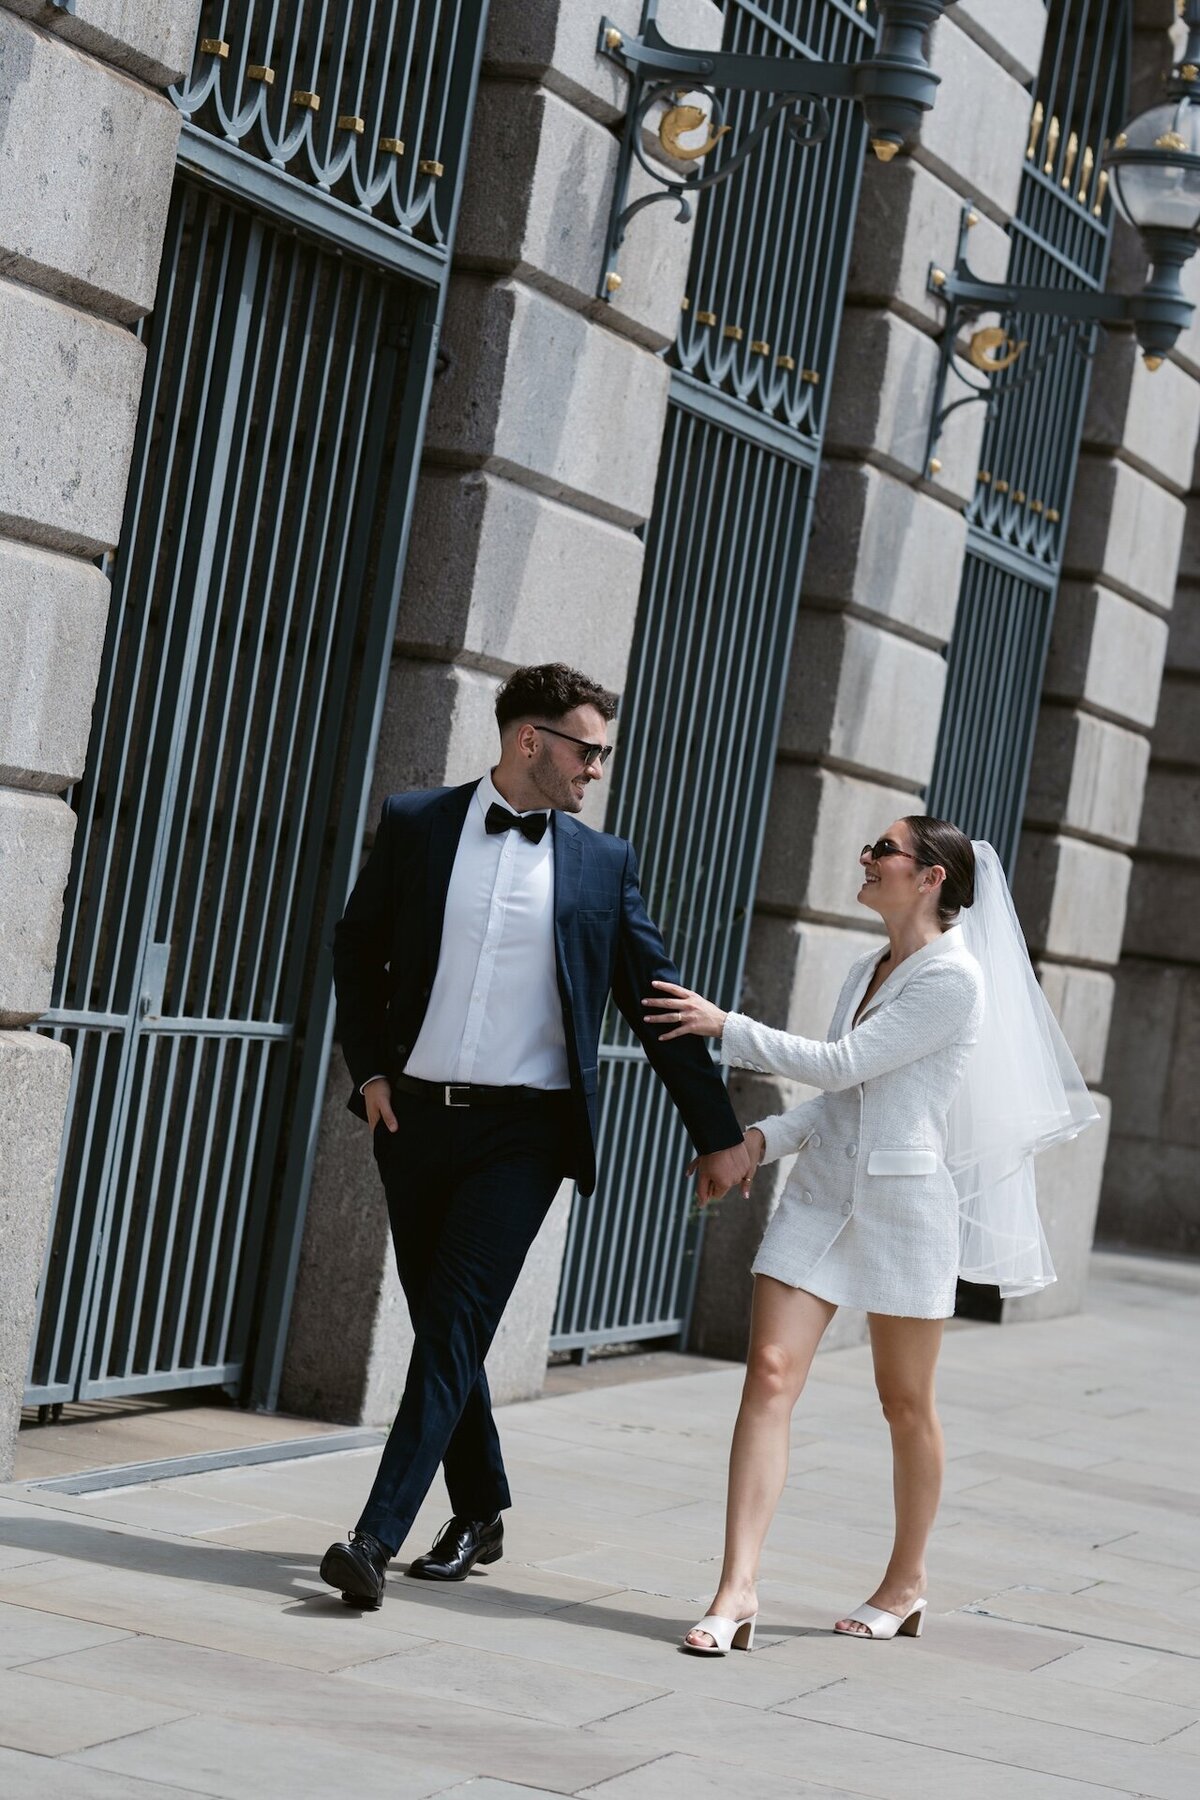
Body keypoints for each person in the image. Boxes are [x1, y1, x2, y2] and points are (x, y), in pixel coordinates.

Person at [320, 662, 752, 1609]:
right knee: (449, 1325)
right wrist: (374, 1071)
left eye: (601, 753)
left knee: (450, 1328)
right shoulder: (417, 822)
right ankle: (482, 1508)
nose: (597, 769)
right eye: (587, 749)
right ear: (530, 740)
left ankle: (371, 1538)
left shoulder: (602, 864)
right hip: (416, 1119)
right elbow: (357, 950)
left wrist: (718, 1131)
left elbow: (655, 1005)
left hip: (525, 1134)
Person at [643, 816, 1097, 1651]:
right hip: (819, 1198)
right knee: (770, 1375)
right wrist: (754, 1145)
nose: (865, 856)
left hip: (905, 1210)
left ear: (929, 879)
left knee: (905, 1403)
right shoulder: (863, 966)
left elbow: (842, 1063)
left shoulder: (954, 979)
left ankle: (907, 1582)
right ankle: (737, 1590)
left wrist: (725, 1027)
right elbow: (837, 1100)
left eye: (882, 849)